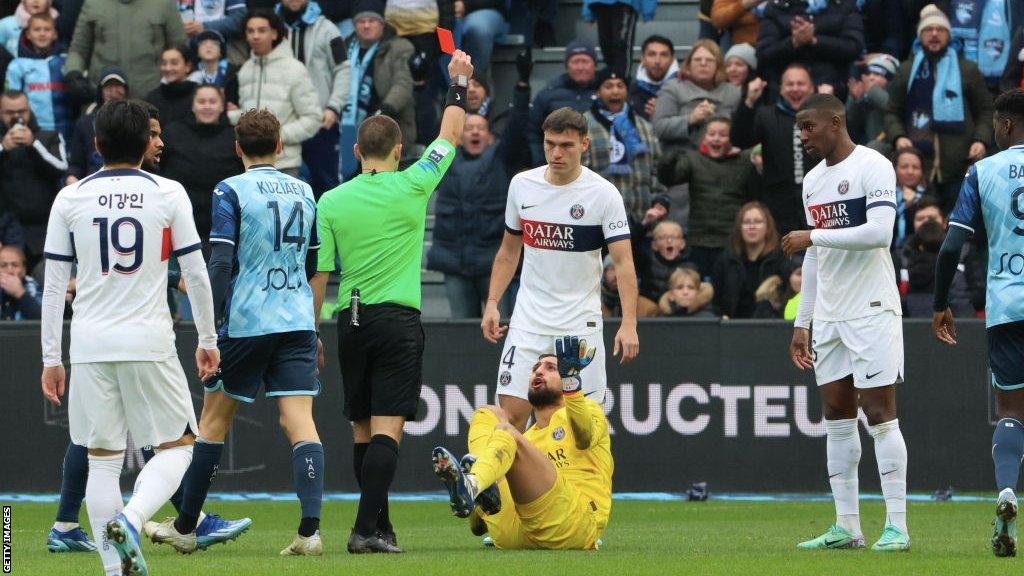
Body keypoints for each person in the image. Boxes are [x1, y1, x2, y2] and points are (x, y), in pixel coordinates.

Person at [39, 99, 219, 576]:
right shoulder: (168, 192)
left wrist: (51, 358)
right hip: (149, 339)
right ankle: (134, 518)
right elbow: (196, 274)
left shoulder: (70, 198)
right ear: (146, 144)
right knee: (181, 447)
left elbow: (55, 284)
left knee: (101, 461)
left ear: (96, 145)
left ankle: (114, 571)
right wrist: (208, 338)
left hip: (90, 344)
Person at [310, 50, 475, 554]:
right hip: (397, 320)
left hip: (349, 319)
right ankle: (364, 530)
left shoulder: (331, 201)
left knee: (363, 431)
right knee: (388, 431)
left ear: (357, 150)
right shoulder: (414, 183)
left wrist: (310, 329)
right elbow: (448, 136)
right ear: (399, 150)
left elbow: (321, 274)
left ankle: (379, 527)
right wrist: (458, 84)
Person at [145, 108, 324, 557]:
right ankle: (309, 533)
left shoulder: (231, 189)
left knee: (213, 422)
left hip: (247, 322)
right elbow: (312, 264)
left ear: (238, 147)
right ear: (280, 146)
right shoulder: (305, 191)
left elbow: (221, 261)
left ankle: (186, 526)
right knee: (300, 422)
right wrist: (310, 319)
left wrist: (212, 322)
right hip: (297, 319)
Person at [782, 93, 908, 552]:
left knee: (879, 413)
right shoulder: (813, 181)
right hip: (830, 315)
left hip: (872, 307)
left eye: (808, 127)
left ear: (834, 122)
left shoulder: (873, 165)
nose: (803, 137)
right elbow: (817, 256)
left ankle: (897, 526)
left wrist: (811, 234)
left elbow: (880, 233)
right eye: (799, 129)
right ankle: (847, 527)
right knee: (836, 415)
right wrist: (804, 320)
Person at [481, 106, 640, 432]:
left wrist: (629, 323)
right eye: (550, 143)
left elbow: (624, 264)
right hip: (528, 321)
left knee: (579, 428)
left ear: (583, 144)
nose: (556, 153)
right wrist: (493, 303)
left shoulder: (603, 194)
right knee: (509, 421)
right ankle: (495, 484)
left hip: (579, 324)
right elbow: (509, 252)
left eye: (566, 145)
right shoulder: (522, 185)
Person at [933, 88, 1024, 557]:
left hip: (1008, 308)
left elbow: (951, 248)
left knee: (1012, 414)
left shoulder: (982, 171)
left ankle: (1006, 493)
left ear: (1006, 126)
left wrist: (939, 303)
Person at [431, 338, 612, 550]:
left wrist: (571, 383)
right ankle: (476, 486)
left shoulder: (588, 409)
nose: (538, 371)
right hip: (517, 533)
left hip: (572, 524)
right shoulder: (527, 439)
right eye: (535, 368)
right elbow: (477, 529)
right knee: (488, 414)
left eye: (551, 368)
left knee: (507, 433)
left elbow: (585, 437)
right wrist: (479, 515)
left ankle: (475, 484)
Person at [426, 78, 531, 319]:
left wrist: (522, 89)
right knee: (462, 331)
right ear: (459, 137)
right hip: (454, 263)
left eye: (480, 128)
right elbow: (435, 123)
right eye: (468, 128)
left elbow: (517, 128)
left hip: (493, 263)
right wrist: (438, 86)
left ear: (490, 136)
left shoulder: (501, 158)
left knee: (500, 329)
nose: (474, 131)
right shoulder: (446, 159)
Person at [884, 4, 994, 211]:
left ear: (949, 35)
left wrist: (981, 139)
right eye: (928, 29)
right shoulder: (907, 70)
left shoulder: (967, 69)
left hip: (959, 163)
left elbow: (986, 111)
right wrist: (898, 137)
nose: (934, 34)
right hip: (917, 167)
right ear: (920, 35)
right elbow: (892, 111)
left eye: (940, 29)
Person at [658, 115, 757, 278]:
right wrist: (667, 161)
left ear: (732, 138)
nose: (716, 139)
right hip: (699, 240)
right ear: (704, 137)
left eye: (723, 135)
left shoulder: (745, 160)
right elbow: (669, 178)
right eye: (711, 134)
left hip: (732, 240)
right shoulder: (693, 159)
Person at [230, 9, 321, 179]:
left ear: (274, 33)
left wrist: (277, 135)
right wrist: (228, 115)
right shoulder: (245, 70)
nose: (255, 36)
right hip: (249, 165)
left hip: (284, 164)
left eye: (262, 30)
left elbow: (313, 118)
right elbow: (248, 113)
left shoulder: (294, 69)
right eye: (250, 31)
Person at [731, 62, 815, 236]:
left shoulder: (823, 115)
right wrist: (749, 101)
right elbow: (739, 140)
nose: (795, 89)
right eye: (790, 84)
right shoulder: (766, 115)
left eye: (801, 84)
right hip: (778, 204)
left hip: (818, 201)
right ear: (781, 89)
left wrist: (827, 105)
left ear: (812, 88)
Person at [338, 0, 416, 180]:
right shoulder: (343, 47)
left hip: (386, 126)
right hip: (346, 126)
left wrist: (384, 111)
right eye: (361, 21)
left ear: (382, 24)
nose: (366, 25)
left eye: (372, 21)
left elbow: (403, 84)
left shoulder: (399, 47)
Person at [277, 0, 348, 195]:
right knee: (281, 189)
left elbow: (343, 69)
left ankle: (327, 227)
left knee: (327, 187)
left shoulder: (328, 29)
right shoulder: (270, 28)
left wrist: (334, 107)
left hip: (321, 121)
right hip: (284, 122)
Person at [582, 67, 664, 227]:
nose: (615, 91)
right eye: (608, 86)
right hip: (601, 222)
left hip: (644, 219)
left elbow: (656, 169)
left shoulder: (644, 127)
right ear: (598, 92)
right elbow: (580, 175)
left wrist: (660, 200)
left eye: (620, 86)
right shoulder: (583, 126)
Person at [160, 84, 244, 240]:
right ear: (192, 106)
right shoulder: (172, 133)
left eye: (212, 101)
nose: (207, 106)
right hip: (180, 224)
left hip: (224, 226)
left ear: (222, 106)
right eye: (201, 101)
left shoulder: (235, 137)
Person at [64, 0, 186, 98]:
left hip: (152, 95)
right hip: (104, 95)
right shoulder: (93, 4)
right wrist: (73, 73)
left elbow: (180, 49)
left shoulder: (164, 3)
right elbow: (78, 50)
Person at [0, 89, 67, 262]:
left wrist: (33, 144)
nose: (16, 116)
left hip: (44, 228)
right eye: (9, 112)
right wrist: (3, 148)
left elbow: (61, 168)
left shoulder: (49, 136)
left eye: (21, 111)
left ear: (29, 110)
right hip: (6, 228)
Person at [755, 0, 864, 97]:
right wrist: (793, 42)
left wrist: (815, 41)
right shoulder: (776, 7)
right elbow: (763, 53)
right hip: (785, 89)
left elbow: (854, 46)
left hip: (831, 88)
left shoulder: (845, 5)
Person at [653, 39, 741, 156]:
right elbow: (659, 128)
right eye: (697, 60)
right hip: (682, 158)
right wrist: (690, 119)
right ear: (689, 65)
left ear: (718, 65)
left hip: (723, 161)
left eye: (709, 60)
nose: (703, 64)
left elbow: (742, 132)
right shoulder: (673, 88)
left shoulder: (733, 92)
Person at [711, 201, 790, 318]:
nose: (752, 226)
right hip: (731, 327)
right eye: (746, 222)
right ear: (739, 228)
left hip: (769, 327)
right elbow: (715, 301)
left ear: (767, 228)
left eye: (758, 222)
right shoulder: (726, 260)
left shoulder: (781, 259)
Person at [527, 40, 597, 166]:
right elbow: (533, 132)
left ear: (595, 65)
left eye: (585, 61)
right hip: (556, 165)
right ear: (566, 66)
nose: (580, 67)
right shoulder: (548, 94)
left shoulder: (605, 92)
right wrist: (541, 163)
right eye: (575, 62)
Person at [5, 12, 70, 137]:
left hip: (66, 130)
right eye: (37, 29)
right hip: (31, 131)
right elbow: (11, 101)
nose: (42, 33)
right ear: (28, 34)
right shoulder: (17, 65)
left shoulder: (66, 62)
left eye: (47, 29)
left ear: (55, 34)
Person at [66, 66, 126, 184]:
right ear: (100, 91)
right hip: (93, 182)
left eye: (118, 86)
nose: (113, 91)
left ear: (126, 90)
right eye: (108, 87)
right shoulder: (84, 124)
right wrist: (71, 177)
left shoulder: (138, 121)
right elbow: (76, 165)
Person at [581, 0, 654, 76]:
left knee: (621, 44)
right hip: (600, 5)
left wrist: (648, 12)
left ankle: (623, 80)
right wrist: (588, 12)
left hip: (625, 5)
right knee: (605, 45)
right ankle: (612, 78)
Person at [845, 53, 898, 149]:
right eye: (869, 73)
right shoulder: (866, 97)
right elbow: (850, 125)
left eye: (877, 74)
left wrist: (872, 90)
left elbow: (891, 107)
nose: (871, 77)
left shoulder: (896, 95)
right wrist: (855, 100)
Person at [145, 45, 199, 126]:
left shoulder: (199, 94)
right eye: (164, 63)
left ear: (188, 66)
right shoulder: (152, 97)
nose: (168, 68)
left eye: (174, 63)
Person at [628, 34, 678, 123]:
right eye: (651, 54)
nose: (657, 61)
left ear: (672, 60)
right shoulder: (630, 93)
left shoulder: (683, 90)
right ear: (642, 59)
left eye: (664, 55)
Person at [892, 148, 930, 249]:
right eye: (904, 167)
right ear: (894, 169)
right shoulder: (883, 195)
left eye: (916, 167)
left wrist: (912, 206)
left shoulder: (932, 196)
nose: (910, 171)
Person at [0, 243, 40, 319]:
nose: (9, 271)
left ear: (24, 270)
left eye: (15, 265)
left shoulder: (36, 289)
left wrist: (20, 293)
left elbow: (43, 321)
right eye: (3, 265)